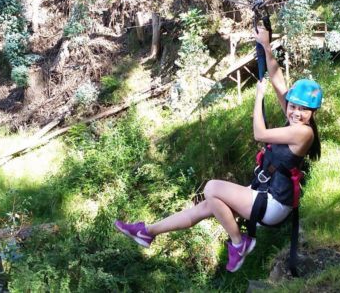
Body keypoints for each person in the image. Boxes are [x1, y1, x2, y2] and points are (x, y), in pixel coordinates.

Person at [114, 28, 322, 272]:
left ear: (313, 113)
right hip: (264, 193)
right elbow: (277, 78)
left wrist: (258, 98)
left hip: (274, 203)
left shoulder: (303, 132)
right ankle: (147, 232)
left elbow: (259, 134)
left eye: (303, 110)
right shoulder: (295, 121)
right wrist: (266, 46)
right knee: (205, 206)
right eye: (293, 106)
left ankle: (238, 243)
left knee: (212, 187)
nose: (296, 112)